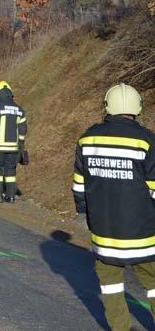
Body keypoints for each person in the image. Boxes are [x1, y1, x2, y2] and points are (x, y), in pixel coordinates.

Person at [73, 83, 155, 331]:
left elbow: (79, 187)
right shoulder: (147, 142)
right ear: (137, 109)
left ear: (107, 107)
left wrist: (85, 213)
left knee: (110, 286)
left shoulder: (88, 138)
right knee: (153, 283)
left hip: (104, 231)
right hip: (143, 234)